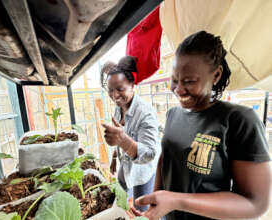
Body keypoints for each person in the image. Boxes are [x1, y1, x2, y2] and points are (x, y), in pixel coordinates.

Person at [134, 31, 272, 220]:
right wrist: (154, 205)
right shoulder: (173, 114)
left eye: (189, 81)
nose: (179, 89)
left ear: (216, 75)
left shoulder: (239, 120)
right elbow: (165, 160)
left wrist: (177, 200)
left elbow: (256, 204)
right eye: (174, 80)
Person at [101, 56, 160, 212]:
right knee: (118, 198)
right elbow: (118, 131)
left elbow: (150, 153)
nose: (114, 96)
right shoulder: (119, 107)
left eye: (120, 89)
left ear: (132, 85)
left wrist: (122, 141)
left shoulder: (145, 112)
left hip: (143, 172)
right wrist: (114, 158)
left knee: (142, 210)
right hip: (126, 165)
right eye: (110, 90)